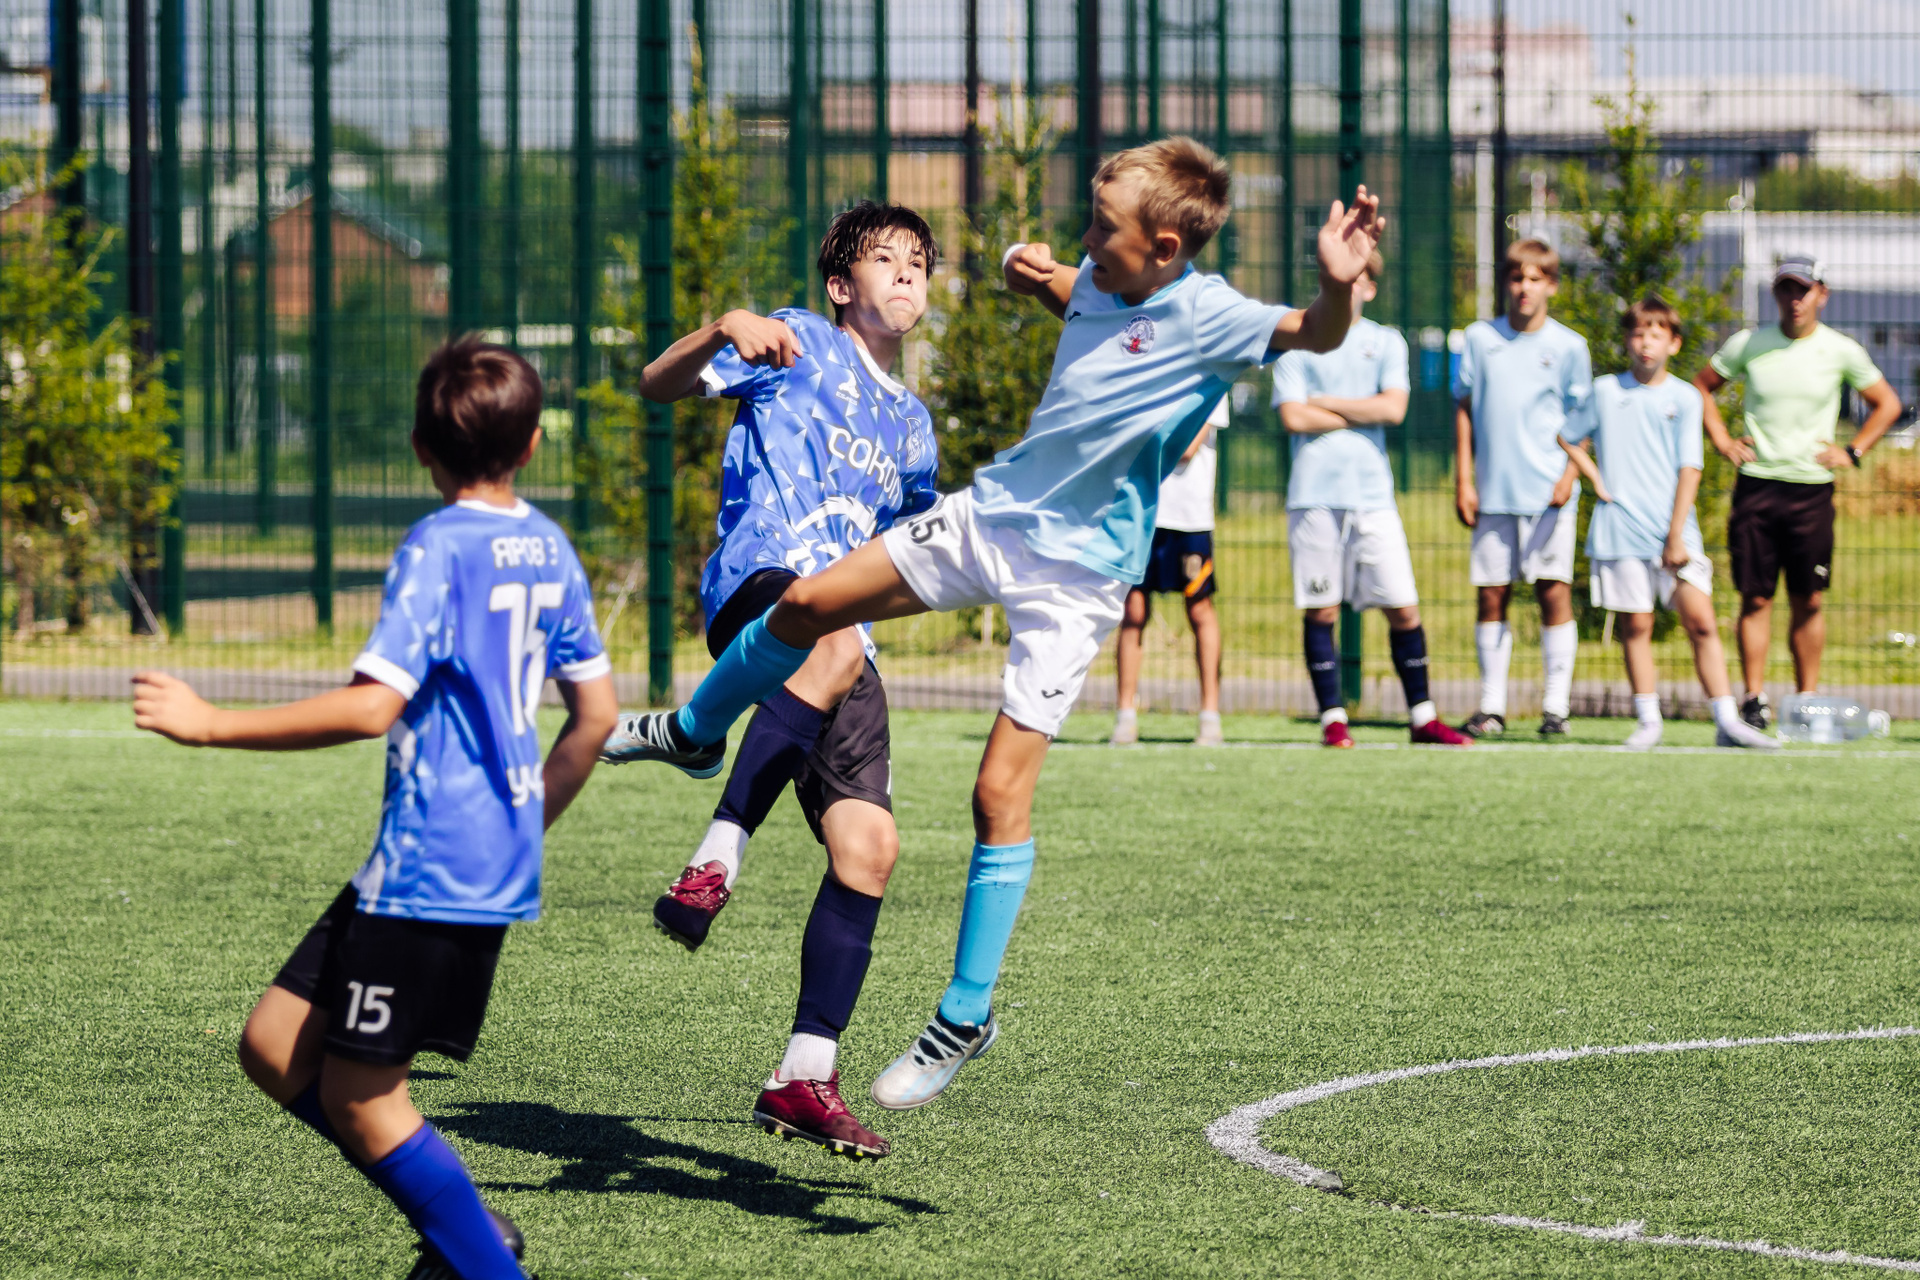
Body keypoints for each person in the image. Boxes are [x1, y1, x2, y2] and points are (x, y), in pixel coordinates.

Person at [602, 136, 1382, 1110]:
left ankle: (963, 1011)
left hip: (1081, 579)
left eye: (1104, 227)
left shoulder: (1210, 312)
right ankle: (692, 731)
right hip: (996, 517)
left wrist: (1338, 285)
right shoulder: (1095, 279)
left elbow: (1315, 331)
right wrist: (1026, 267)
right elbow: (1064, 285)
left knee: (995, 795)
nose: (1086, 241)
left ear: (1165, 247)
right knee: (808, 606)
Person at [131, 340, 618, 1280]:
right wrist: (523, 821)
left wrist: (209, 724)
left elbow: (371, 708)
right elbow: (595, 715)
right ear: (533, 445)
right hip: (446, 861)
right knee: (275, 1047)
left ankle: (478, 1254)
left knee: (363, 1099)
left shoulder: (437, 545)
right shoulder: (550, 545)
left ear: (418, 447)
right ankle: (461, 1225)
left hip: (430, 865)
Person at [602, 202, 940, 1160]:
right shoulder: (793, 343)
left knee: (869, 849)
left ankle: (801, 1077)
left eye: (919, 263)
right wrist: (723, 328)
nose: (906, 274)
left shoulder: (914, 428)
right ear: (840, 285)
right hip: (762, 587)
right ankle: (715, 859)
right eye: (885, 258)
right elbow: (657, 384)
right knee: (828, 641)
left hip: (844, 646)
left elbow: (903, 551)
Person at [1557, 298, 1778, 751]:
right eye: (1638, 334)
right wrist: (1594, 477)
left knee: (1701, 622)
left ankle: (1727, 720)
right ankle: (1648, 721)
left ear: (1673, 343)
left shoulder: (1685, 397)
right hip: (1620, 531)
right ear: (1627, 340)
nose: (1646, 343)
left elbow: (1689, 467)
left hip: (1674, 534)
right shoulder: (1605, 391)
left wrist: (1676, 534)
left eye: (1656, 335)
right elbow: (1567, 435)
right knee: (1636, 627)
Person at [1693, 254, 1904, 730]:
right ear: (1775, 294)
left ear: (1821, 295)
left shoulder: (1841, 350)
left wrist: (1852, 451)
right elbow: (1702, 388)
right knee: (1756, 597)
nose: (1795, 299)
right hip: (1757, 487)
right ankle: (1754, 698)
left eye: (1803, 289)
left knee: (1809, 598)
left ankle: (1805, 701)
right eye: (1786, 289)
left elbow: (1887, 403)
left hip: (1811, 493)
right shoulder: (1749, 343)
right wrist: (1723, 441)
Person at [1275, 250, 1471, 748]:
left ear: (1370, 287)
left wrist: (1325, 403)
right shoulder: (1297, 339)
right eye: (1339, 277)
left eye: (1358, 278)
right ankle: (1333, 719)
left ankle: (1423, 718)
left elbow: (1394, 408)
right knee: (1321, 610)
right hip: (1313, 497)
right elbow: (1293, 417)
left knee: (1403, 607)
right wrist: (1364, 410)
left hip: (1373, 497)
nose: (1348, 285)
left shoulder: (1386, 341)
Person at [1453, 237, 1593, 738]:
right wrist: (1464, 478)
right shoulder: (1478, 339)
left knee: (1553, 592)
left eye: (1535, 278)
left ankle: (1555, 708)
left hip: (1549, 494)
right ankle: (1492, 707)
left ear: (1551, 285)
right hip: (1493, 492)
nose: (1524, 288)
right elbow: (1464, 409)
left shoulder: (1570, 347)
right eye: (1516, 278)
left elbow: (1582, 418)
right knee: (1492, 594)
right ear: (1505, 283)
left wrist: (1569, 475)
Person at [1110, 397, 1228, 747]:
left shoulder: (1214, 380)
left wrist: (1140, 439)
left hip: (1190, 519)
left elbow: (1187, 448)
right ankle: (1125, 716)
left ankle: (1210, 716)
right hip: (1142, 514)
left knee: (1199, 610)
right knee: (1133, 612)